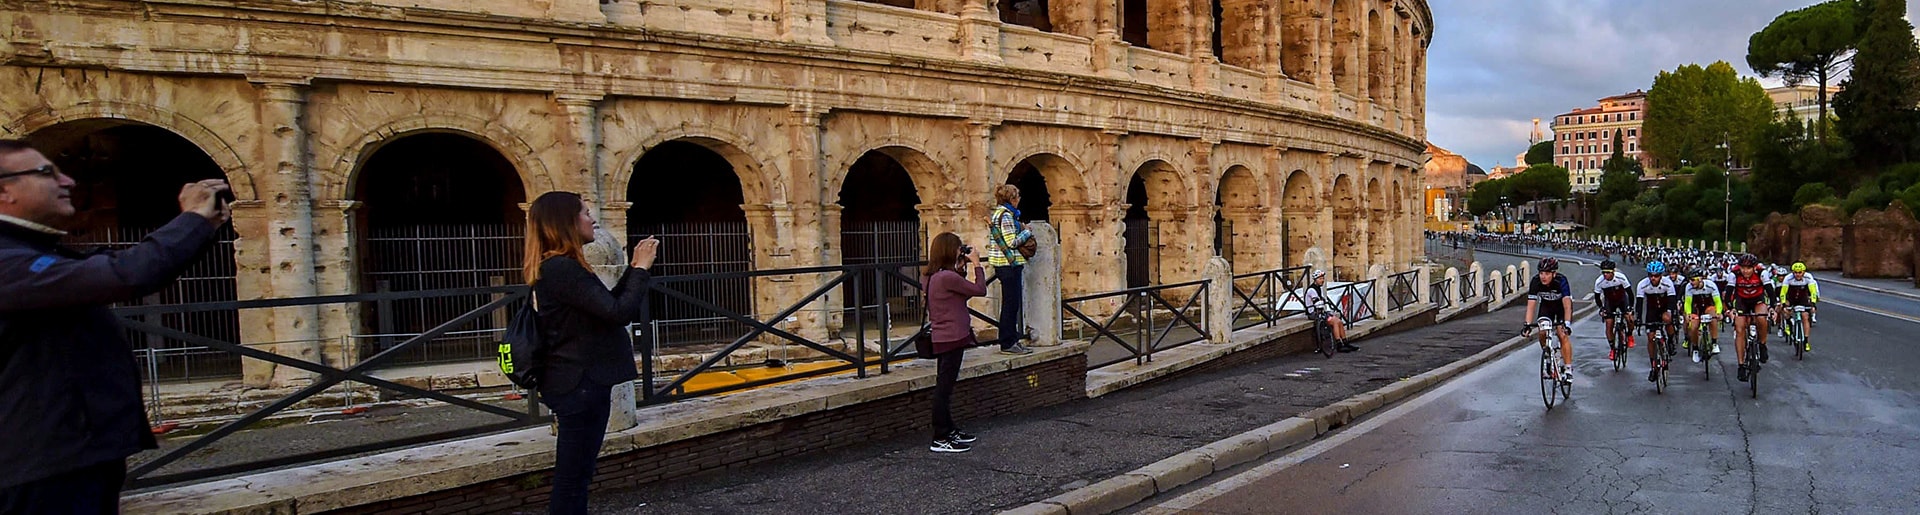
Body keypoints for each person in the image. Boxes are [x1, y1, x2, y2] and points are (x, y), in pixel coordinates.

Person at [0, 140, 231, 512]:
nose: (68, 181)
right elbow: (125, 274)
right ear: (4, 190)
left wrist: (201, 229)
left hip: (66, 458)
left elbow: (115, 266)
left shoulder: (29, 251)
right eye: (47, 172)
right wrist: (192, 221)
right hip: (39, 468)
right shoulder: (7, 261)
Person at [524, 191, 659, 515]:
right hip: (577, 384)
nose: (593, 219)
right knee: (573, 479)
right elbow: (618, 313)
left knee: (578, 475)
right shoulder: (560, 269)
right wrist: (640, 269)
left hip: (579, 383)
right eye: (585, 213)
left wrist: (632, 270)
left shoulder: (564, 267)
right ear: (566, 222)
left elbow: (604, 307)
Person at [922, 232, 987, 453]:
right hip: (951, 337)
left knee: (945, 386)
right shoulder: (947, 278)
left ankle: (949, 429)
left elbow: (960, 294)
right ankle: (940, 437)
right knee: (944, 389)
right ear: (950, 250)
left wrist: (961, 266)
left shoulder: (933, 276)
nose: (962, 251)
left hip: (944, 336)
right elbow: (979, 289)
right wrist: (977, 264)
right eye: (959, 248)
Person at [984, 184, 1034, 356]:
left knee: (1011, 303)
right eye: (1017, 196)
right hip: (1007, 264)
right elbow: (1011, 242)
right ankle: (1008, 342)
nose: (1019, 200)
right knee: (1011, 304)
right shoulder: (1005, 216)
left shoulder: (1001, 214)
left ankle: (1011, 340)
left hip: (1005, 264)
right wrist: (1027, 232)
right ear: (1012, 198)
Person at [1524, 257, 1574, 384]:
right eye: (1541, 273)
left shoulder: (1561, 281)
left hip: (1561, 308)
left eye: (1547, 273)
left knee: (1562, 334)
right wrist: (1527, 324)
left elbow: (1567, 304)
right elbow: (1531, 305)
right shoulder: (1536, 281)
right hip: (1546, 308)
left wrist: (1567, 324)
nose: (1543, 277)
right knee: (1542, 331)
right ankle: (1547, 356)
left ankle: (1568, 370)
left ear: (1554, 274)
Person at [1727, 255, 1771, 383]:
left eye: (1749, 268)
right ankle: (1741, 365)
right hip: (1741, 301)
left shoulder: (1762, 272)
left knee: (1762, 318)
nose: (1745, 271)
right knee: (1740, 329)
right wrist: (1730, 309)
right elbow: (1729, 293)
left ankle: (1762, 345)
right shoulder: (1734, 274)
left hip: (1757, 299)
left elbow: (1770, 290)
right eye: (1743, 268)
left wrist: (1773, 306)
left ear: (1754, 267)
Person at [1634, 261, 1678, 377]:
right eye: (1651, 275)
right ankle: (1653, 365)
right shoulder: (1642, 284)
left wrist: (1671, 314)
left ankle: (1671, 340)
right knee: (1650, 337)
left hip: (1665, 307)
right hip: (1652, 311)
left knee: (1667, 319)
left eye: (1656, 276)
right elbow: (1639, 304)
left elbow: (1672, 301)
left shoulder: (1668, 283)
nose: (1653, 278)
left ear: (1661, 275)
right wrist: (1638, 318)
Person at [1302, 270, 1356, 352]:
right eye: (1320, 279)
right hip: (1313, 313)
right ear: (1315, 279)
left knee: (1339, 322)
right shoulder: (1312, 290)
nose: (1322, 280)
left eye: (1323, 278)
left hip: (1320, 311)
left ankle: (1345, 342)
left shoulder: (1318, 288)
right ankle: (1339, 345)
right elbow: (1318, 303)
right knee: (1335, 322)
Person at [1592, 259, 1635, 359]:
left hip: (1622, 300)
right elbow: (1597, 297)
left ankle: (1629, 335)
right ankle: (1612, 349)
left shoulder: (1621, 277)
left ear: (1613, 272)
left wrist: (1630, 307)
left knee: (1629, 318)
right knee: (1609, 324)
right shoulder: (1599, 282)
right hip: (1610, 302)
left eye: (1608, 272)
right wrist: (1601, 309)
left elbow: (1630, 293)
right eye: (1603, 273)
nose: (1605, 275)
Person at [1680, 272, 1723, 365]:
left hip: (1708, 306)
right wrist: (1688, 314)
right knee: (1694, 327)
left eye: (1693, 280)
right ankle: (1695, 349)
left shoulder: (1711, 285)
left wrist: (1719, 312)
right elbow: (1687, 303)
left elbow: (1718, 301)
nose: (1691, 282)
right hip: (1696, 307)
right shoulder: (1689, 287)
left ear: (1699, 279)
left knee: (1713, 315)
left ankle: (1714, 343)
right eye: (1690, 280)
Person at [1778, 262, 1820, 352]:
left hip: (1802, 298)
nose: (1797, 274)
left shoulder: (1808, 277)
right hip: (1791, 297)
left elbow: (1813, 292)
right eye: (1795, 272)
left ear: (1803, 272)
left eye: (1800, 272)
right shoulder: (1788, 278)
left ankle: (1806, 340)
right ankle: (1788, 323)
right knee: (1785, 310)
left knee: (1805, 316)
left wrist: (1813, 304)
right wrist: (1784, 304)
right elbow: (1783, 293)